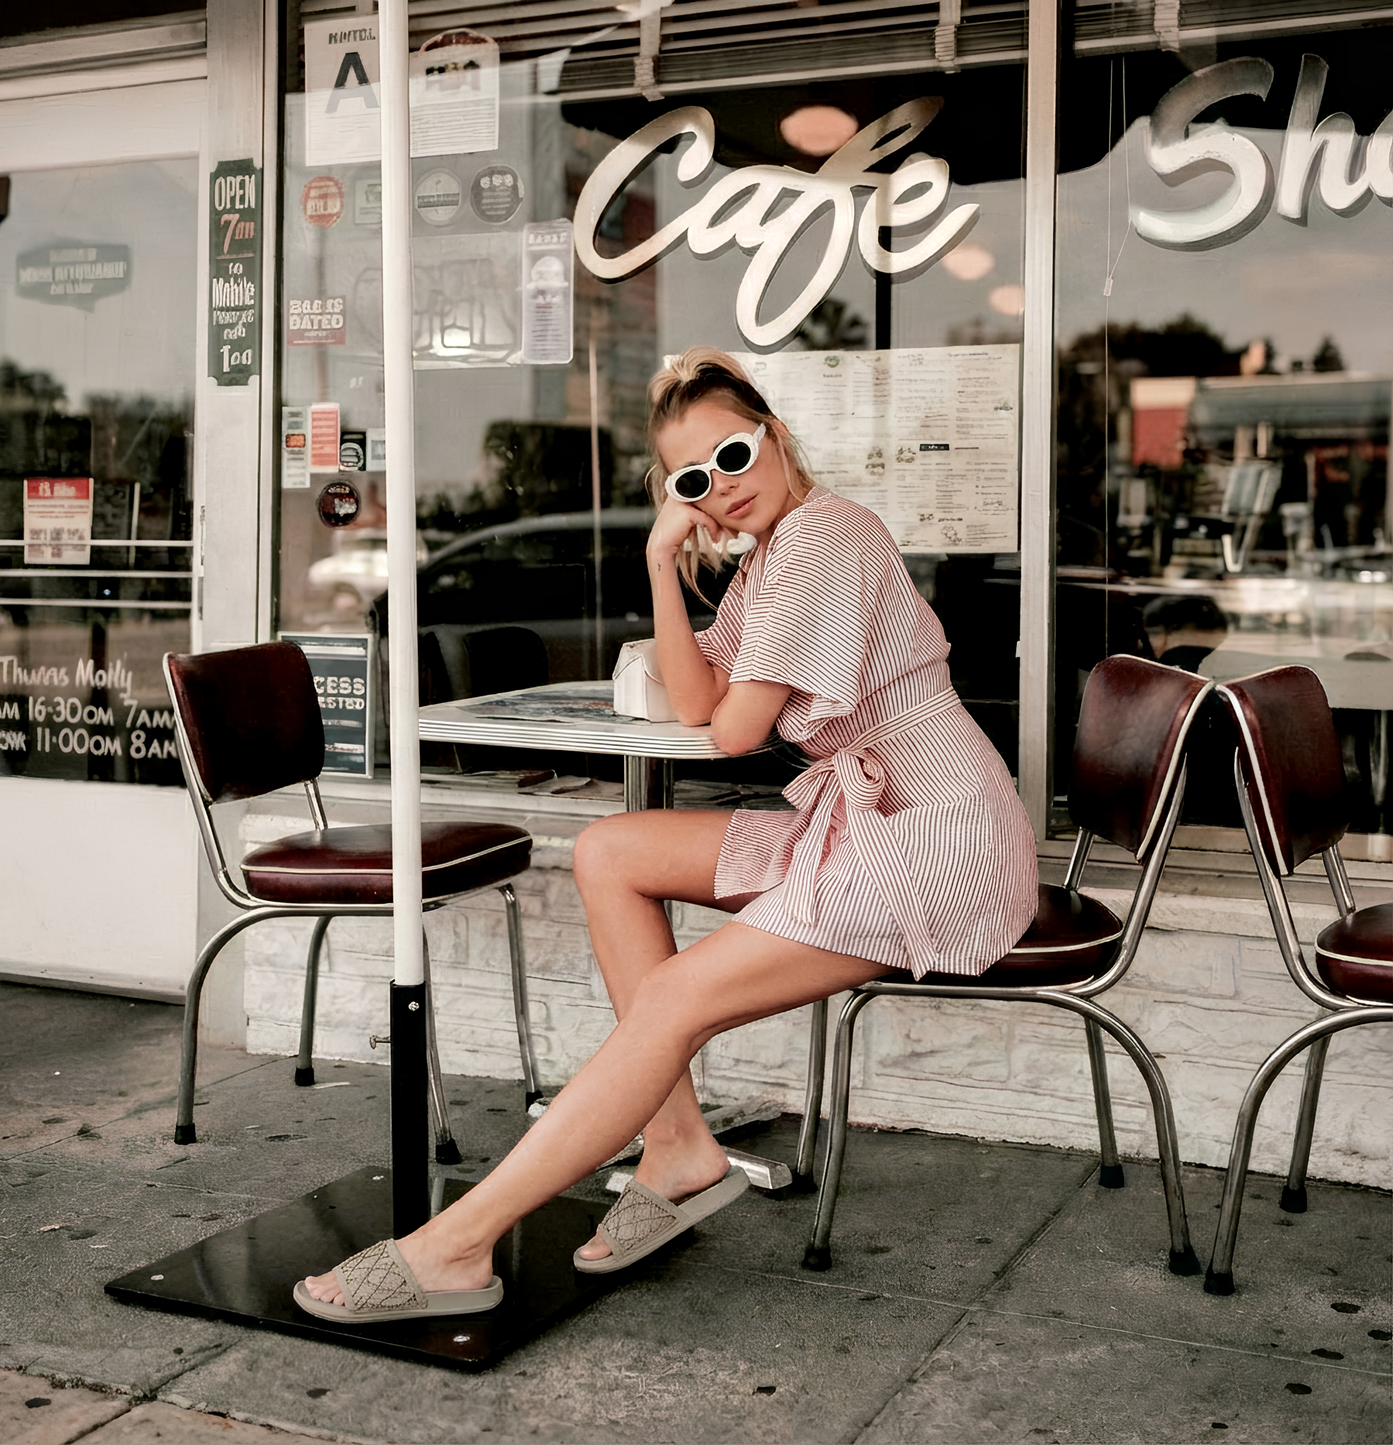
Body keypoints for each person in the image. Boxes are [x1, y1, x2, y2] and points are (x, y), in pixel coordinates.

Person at [297, 348, 1039, 1320]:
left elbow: (730, 733)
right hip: (866, 818)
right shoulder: (770, 556)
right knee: (610, 850)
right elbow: (695, 697)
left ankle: (457, 1242)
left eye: (732, 454)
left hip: (934, 836)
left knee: (673, 999)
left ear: (773, 431)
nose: (721, 488)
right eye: (693, 479)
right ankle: (677, 1138)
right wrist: (659, 557)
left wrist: (701, 628)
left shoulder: (826, 535)